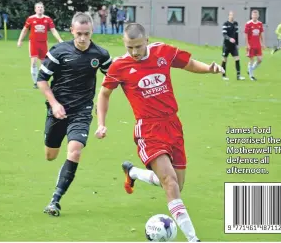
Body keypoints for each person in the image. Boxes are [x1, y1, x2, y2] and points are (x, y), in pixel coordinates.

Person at [95, 23, 225, 242]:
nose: (134, 52)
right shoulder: (120, 66)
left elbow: (188, 63)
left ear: (147, 40)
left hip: (173, 126)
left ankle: (133, 173)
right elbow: (104, 93)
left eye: (137, 46)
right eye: (129, 47)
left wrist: (208, 69)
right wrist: (101, 123)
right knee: (170, 182)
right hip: (148, 129)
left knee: (176, 184)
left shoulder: (163, 51)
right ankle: (194, 239)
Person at [36, 12, 112, 217]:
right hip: (58, 111)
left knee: (75, 150)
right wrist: (54, 104)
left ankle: (55, 201)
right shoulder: (59, 51)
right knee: (51, 155)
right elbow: (41, 79)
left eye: (86, 34)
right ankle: (52, 141)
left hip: (82, 111)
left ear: (92, 32)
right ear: (72, 31)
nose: (82, 38)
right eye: (79, 33)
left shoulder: (100, 55)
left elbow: (114, 77)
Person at [17, 2, 63, 89]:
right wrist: (20, 40)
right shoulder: (31, 19)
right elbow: (24, 30)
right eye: (38, 7)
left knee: (44, 63)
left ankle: (42, 80)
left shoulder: (48, 19)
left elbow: (53, 30)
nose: (40, 9)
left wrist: (59, 39)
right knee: (34, 61)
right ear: (35, 9)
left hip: (43, 43)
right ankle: (35, 82)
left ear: (43, 9)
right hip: (34, 43)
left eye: (41, 7)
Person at [221, 11, 245, 81]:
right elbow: (224, 35)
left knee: (237, 59)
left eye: (233, 15)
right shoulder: (225, 24)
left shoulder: (235, 24)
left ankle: (238, 76)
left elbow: (236, 35)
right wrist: (229, 39)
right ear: (228, 16)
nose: (232, 16)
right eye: (231, 15)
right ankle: (223, 75)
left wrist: (237, 44)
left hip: (233, 46)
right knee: (224, 59)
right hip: (226, 45)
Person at [244, 10, 265, 81]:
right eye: (253, 15)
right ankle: (251, 76)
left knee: (260, 59)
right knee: (252, 60)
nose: (254, 16)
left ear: (258, 16)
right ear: (251, 16)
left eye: (256, 15)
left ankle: (250, 70)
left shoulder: (260, 23)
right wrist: (247, 44)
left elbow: (261, 34)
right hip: (251, 45)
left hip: (258, 45)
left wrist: (263, 43)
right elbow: (246, 35)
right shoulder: (248, 24)